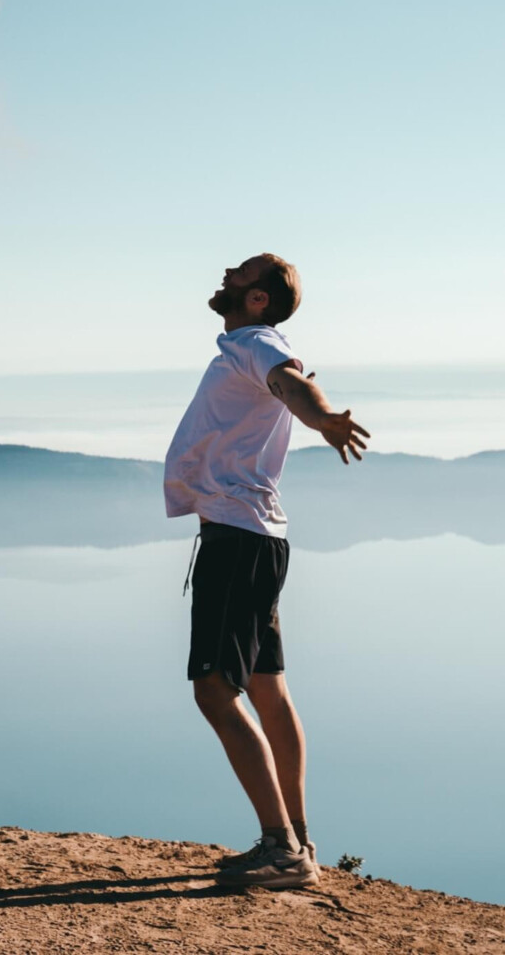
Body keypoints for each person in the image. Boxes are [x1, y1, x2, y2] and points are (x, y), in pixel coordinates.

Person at [165, 253, 369, 890]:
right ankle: (297, 840)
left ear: (257, 299)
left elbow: (293, 384)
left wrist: (322, 418)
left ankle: (281, 850)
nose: (225, 273)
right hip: (253, 536)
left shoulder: (257, 343)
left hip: (236, 538)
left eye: (240, 272)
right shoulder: (247, 345)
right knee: (265, 686)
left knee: (214, 690)